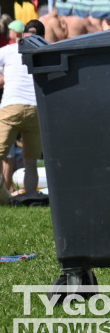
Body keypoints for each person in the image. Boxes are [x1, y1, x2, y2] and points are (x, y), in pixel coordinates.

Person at [0, 19, 45, 203]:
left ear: (23, 34)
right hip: (37, 108)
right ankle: (30, 196)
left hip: (12, 106)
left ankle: (3, 198)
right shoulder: (46, 50)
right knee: (31, 162)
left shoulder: (9, 49)